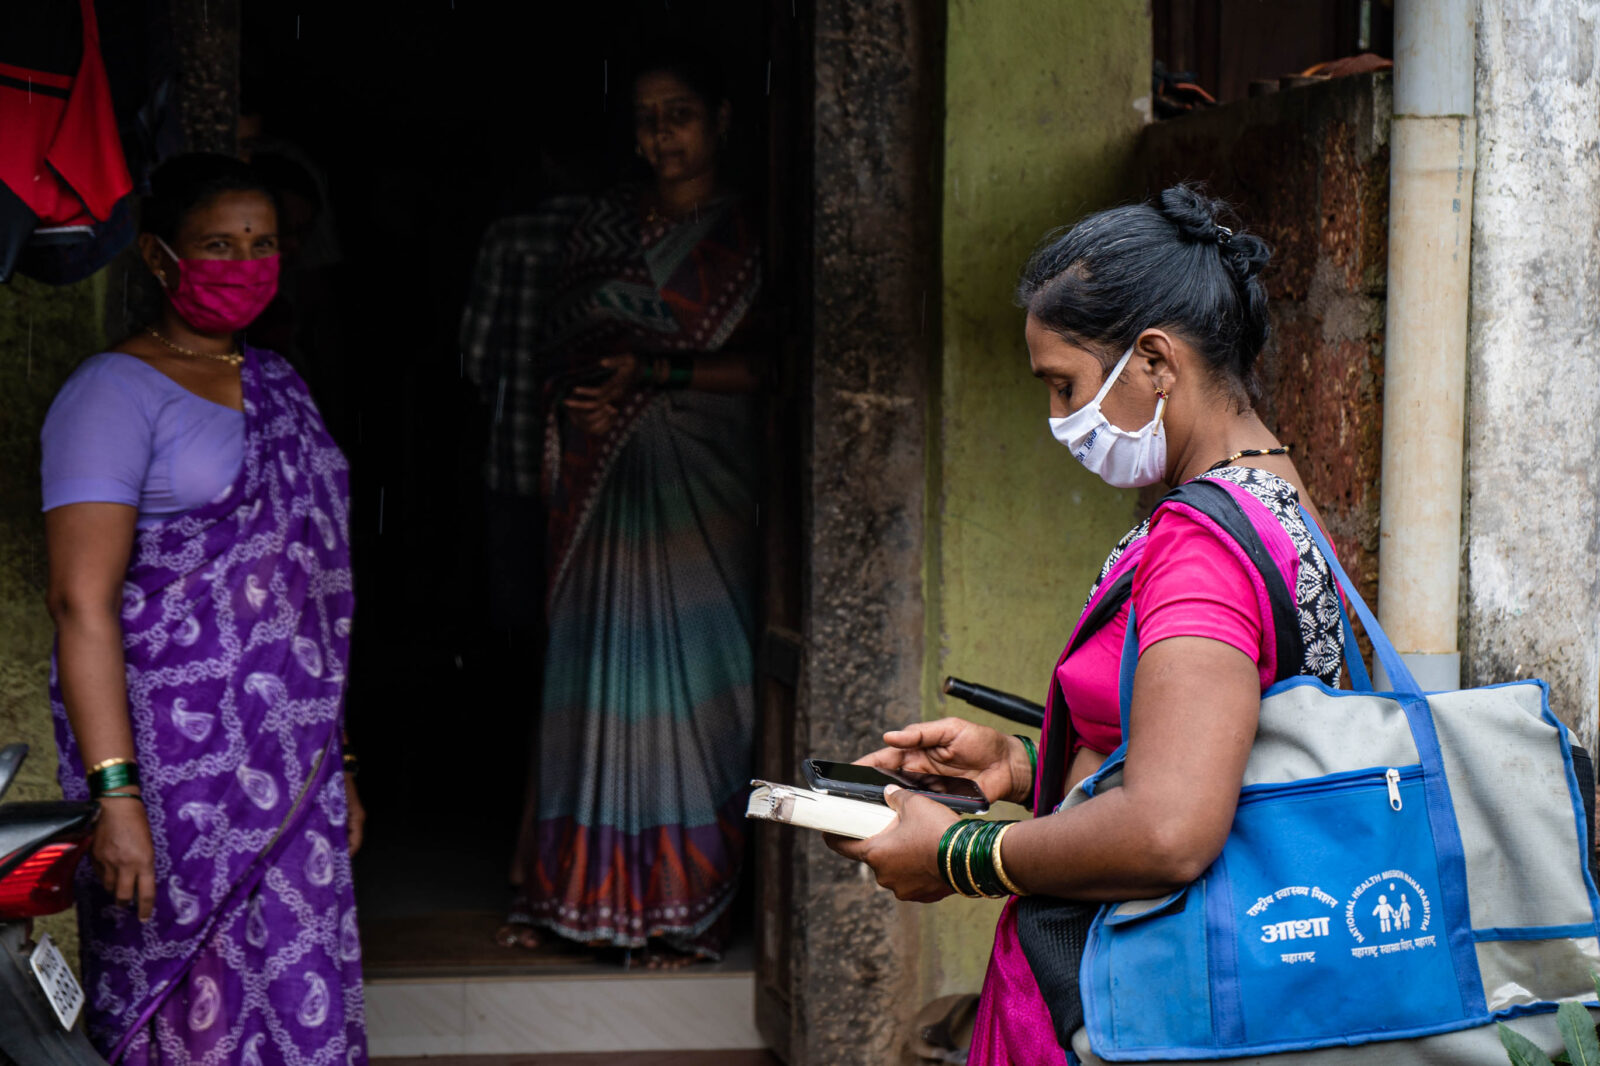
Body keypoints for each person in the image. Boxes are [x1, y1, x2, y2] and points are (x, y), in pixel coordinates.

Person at [827, 186, 1348, 1065]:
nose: (1060, 419)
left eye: (1065, 385)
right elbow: (1221, 756)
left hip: (1131, 997)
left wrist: (959, 852)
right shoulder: (1273, 496)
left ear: (1154, 360)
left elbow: (1170, 829)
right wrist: (1023, 767)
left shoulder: (1200, 547)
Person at [41, 153, 367, 1064]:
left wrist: (337, 757)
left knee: (295, 1000)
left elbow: (313, 602)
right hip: (173, 777)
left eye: (261, 244)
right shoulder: (110, 392)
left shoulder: (282, 386)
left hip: (293, 767)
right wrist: (117, 798)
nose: (244, 262)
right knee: (191, 1005)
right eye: (216, 244)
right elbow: (81, 603)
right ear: (157, 256)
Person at [462, 51, 763, 966]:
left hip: (701, 491)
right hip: (599, 495)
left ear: (721, 118)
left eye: (678, 116)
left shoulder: (756, 230)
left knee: (696, 702)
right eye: (644, 119)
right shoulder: (600, 224)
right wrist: (587, 392)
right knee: (588, 693)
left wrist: (653, 374)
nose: (659, 137)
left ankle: (687, 906)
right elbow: (558, 349)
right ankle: (570, 897)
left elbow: (783, 371)